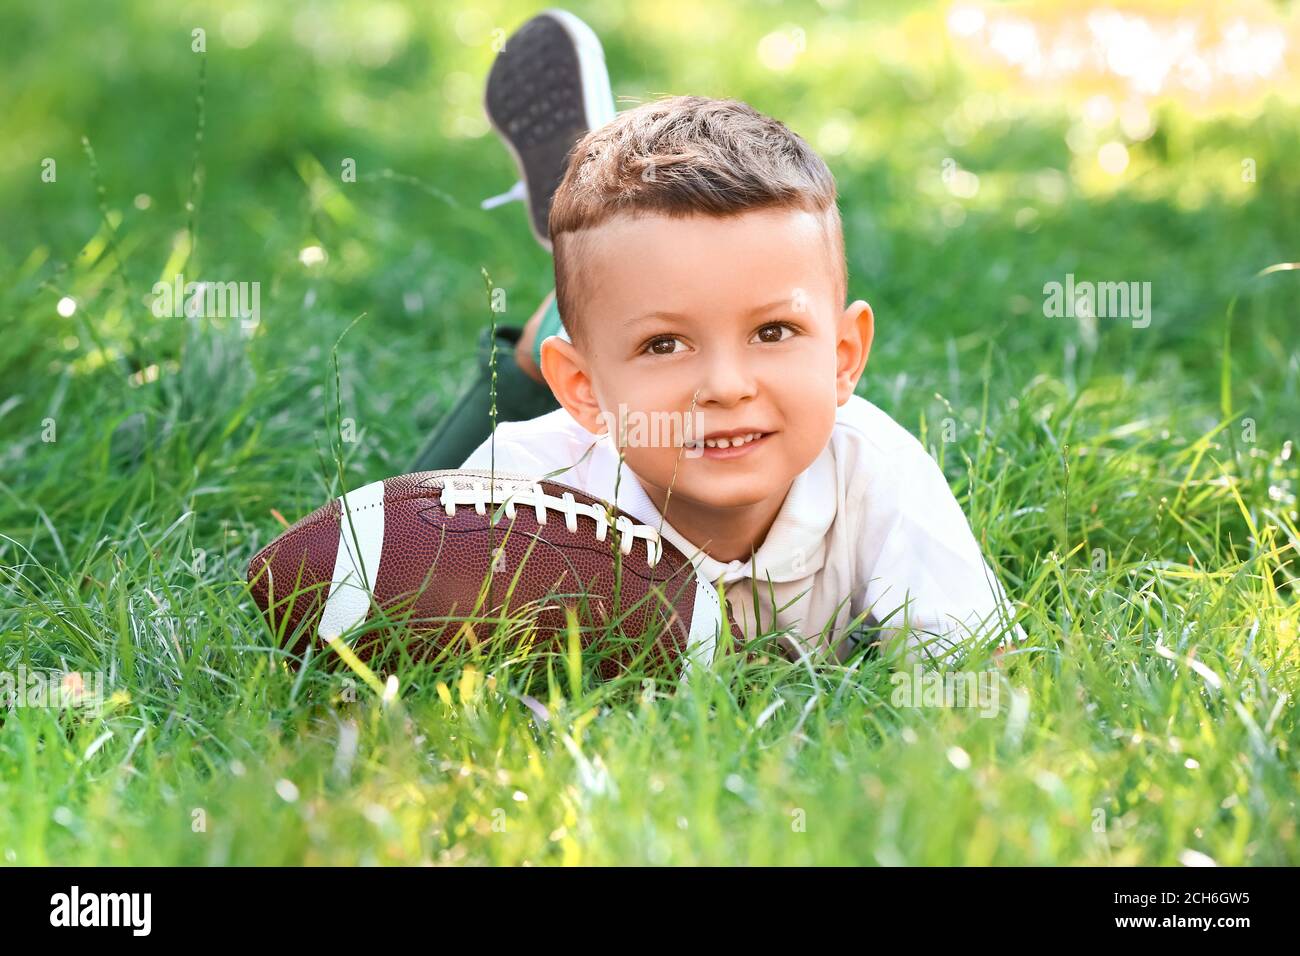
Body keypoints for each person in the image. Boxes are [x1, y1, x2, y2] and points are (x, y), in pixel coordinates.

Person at [415, 10, 1021, 664]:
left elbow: (977, 672)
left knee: (637, 289)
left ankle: (616, 273)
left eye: (774, 330)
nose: (727, 388)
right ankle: (549, 338)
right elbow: (379, 620)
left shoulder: (875, 470)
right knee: (416, 514)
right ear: (583, 388)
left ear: (844, 357)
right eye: (665, 345)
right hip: (561, 426)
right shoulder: (531, 483)